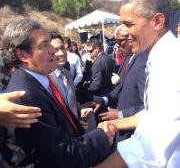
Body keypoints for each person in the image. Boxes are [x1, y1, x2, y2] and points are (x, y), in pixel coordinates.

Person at [1, 18, 116, 168]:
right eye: (44, 45)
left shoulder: (40, 81)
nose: (53, 50)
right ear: (23, 55)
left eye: (50, 42)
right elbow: (57, 155)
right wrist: (101, 136)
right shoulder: (23, 95)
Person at [93, 0, 180, 167]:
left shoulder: (170, 64)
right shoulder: (158, 58)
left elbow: (152, 147)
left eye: (129, 24)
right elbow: (154, 114)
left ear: (157, 21)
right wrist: (116, 123)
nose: (124, 32)